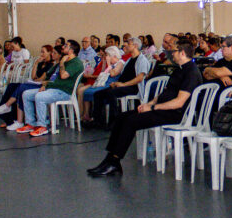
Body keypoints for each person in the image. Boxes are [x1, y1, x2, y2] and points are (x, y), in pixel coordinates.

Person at [87, 39, 203, 177]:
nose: (172, 54)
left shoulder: (191, 72)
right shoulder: (179, 69)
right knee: (122, 117)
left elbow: (179, 102)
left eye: (175, 51)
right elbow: (164, 94)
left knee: (130, 121)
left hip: (174, 113)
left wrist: (153, 107)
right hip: (161, 108)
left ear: (182, 53)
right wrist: (148, 104)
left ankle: (115, 161)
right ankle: (110, 159)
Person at [16, 41, 85, 137]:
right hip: (51, 88)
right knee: (26, 94)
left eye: (66, 45)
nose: (63, 47)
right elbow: (48, 77)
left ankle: (42, 126)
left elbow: (64, 75)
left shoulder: (76, 63)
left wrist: (61, 63)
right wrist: (45, 85)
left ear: (71, 50)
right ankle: (31, 123)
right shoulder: (61, 62)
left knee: (40, 96)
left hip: (63, 91)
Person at [86, 37, 151, 129]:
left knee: (111, 93)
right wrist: (117, 83)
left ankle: (114, 121)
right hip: (122, 85)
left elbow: (139, 78)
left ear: (135, 46)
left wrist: (123, 84)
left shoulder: (142, 60)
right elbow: (124, 75)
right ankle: (97, 121)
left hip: (133, 87)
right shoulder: (129, 60)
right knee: (98, 94)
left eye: (129, 44)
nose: (126, 46)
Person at [77, 46, 124, 122]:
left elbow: (113, 74)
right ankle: (88, 115)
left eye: (108, 55)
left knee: (95, 92)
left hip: (110, 84)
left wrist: (108, 64)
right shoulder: (111, 64)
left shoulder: (120, 63)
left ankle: (97, 117)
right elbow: (103, 73)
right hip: (104, 82)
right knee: (87, 91)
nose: (106, 57)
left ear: (114, 55)